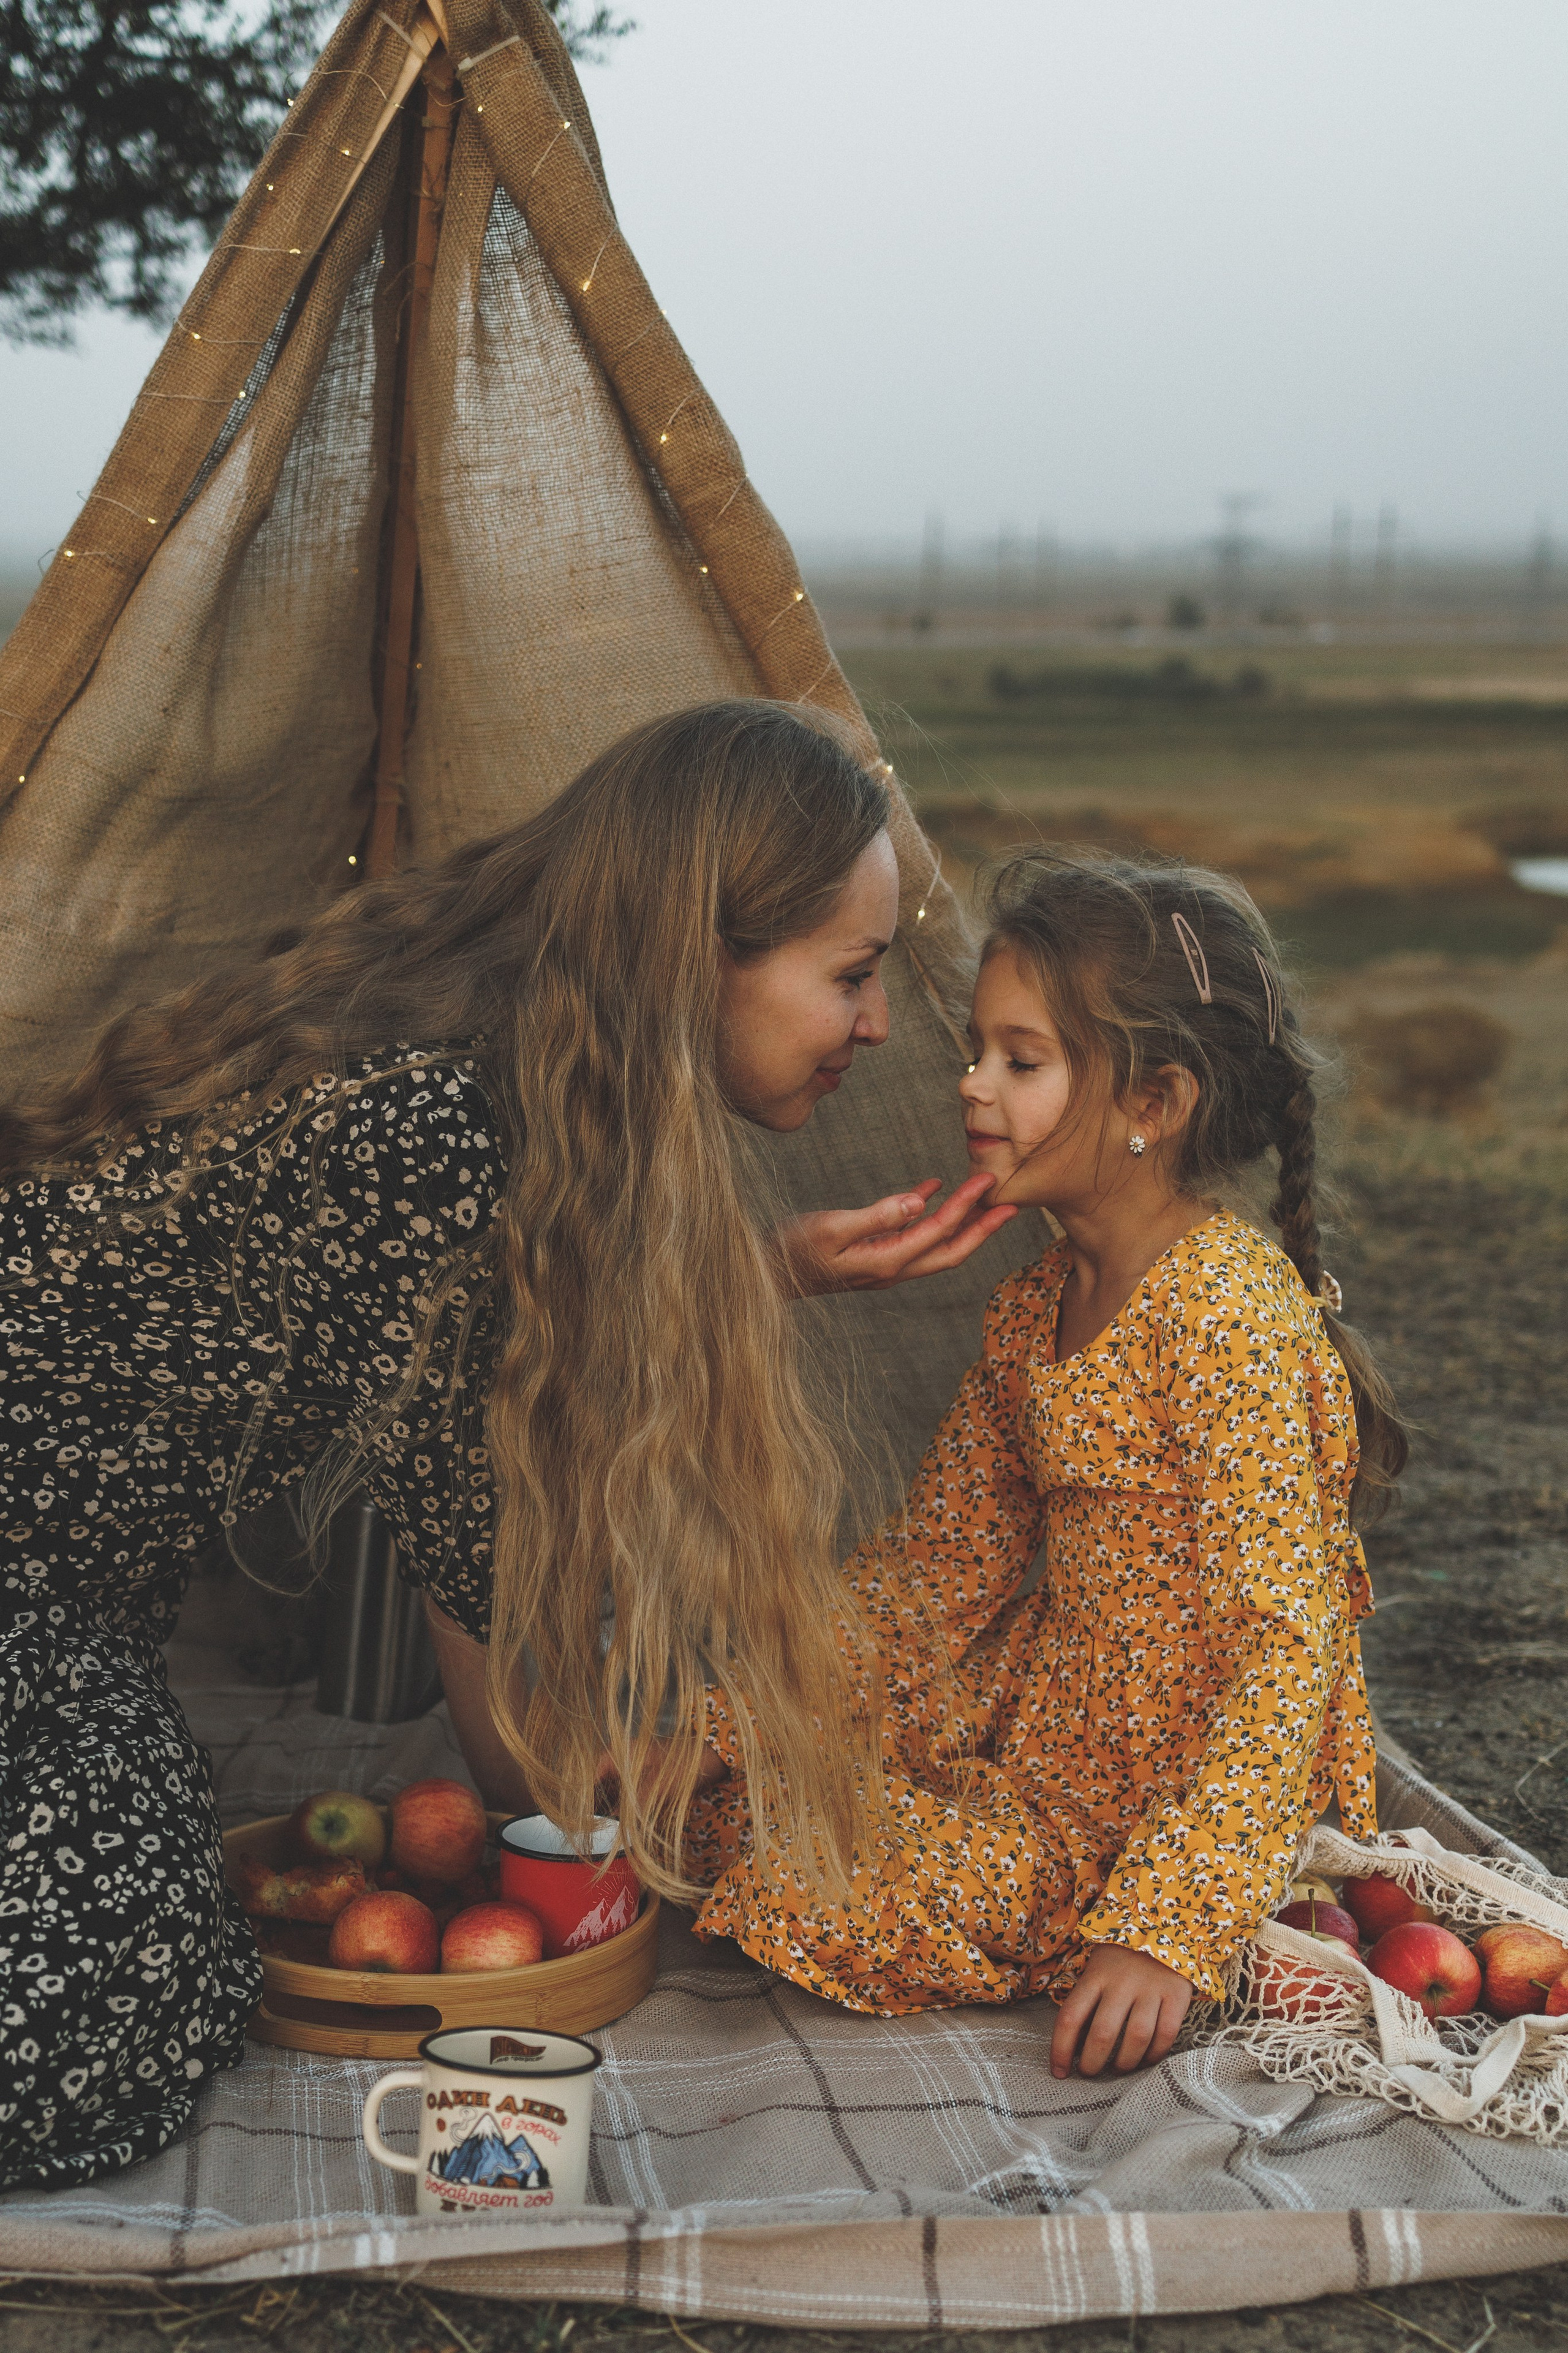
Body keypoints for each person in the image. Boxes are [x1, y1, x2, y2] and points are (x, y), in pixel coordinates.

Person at [0, 699, 1013, 2190]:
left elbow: (502, 1354)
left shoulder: (492, 1086)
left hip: (61, 1609)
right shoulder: (434, 1131)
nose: (874, 1023)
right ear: (694, 956)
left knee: (168, 1949)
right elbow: (487, 1585)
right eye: (850, 975)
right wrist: (597, 1828)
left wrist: (763, 1265)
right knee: (109, 2016)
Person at [689, 848, 1408, 2081]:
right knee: (739, 1798)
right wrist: (737, 1729)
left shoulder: (1224, 1314)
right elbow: (932, 1576)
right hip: (1048, 1724)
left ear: (1154, 1101)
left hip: (1180, 1784)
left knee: (819, 1877)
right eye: (978, 1050)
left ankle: (1119, 1910)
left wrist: (1169, 1928)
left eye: (1018, 1061)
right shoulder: (1035, 1308)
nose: (969, 1085)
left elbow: (1283, 1645)